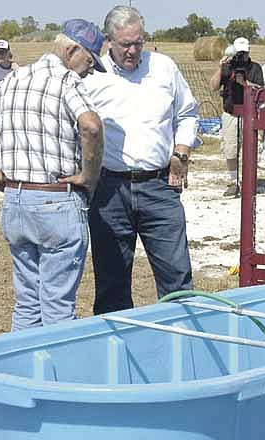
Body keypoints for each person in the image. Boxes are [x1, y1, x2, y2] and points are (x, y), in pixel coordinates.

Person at [0, 20, 105, 330]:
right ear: (71, 50)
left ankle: (20, 371)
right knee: (57, 306)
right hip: (56, 202)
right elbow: (91, 125)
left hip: (16, 203)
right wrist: (89, 176)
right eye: (89, 61)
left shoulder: (12, 79)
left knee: (27, 302)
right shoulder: (67, 82)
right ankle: (56, 376)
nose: (90, 70)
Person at [83, 6, 199, 315]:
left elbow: (187, 114)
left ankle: (183, 346)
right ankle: (118, 355)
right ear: (109, 40)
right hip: (108, 190)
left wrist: (181, 152)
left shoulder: (163, 67)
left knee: (178, 280)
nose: (133, 50)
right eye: (125, 44)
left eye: (139, 42)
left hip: (160, 187)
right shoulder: (91, 76)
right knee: (111, 285)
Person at [210, 36, 263, 197]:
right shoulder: (228, 66)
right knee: (230, 150)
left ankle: (249, 181)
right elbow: (213, 87)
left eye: (244, 53)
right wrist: (220, 68)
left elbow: (261, 90)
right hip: (230, 113)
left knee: (250, 149)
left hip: (249, 113)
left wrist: (245, 83)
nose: (242, 57)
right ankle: (234, 181)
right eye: (239, 53)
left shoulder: (255, 68)